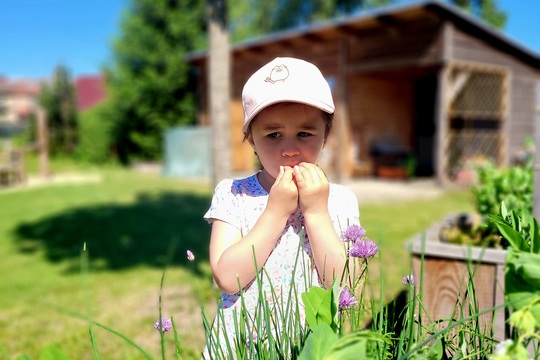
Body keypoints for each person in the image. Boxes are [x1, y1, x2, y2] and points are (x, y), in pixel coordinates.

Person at [203, 57, 362, 358]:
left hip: (308, 344)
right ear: (251, 139)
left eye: (304, 133)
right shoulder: (234, 193)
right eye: (273, 135)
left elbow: (346, 284)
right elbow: (226, 278)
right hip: (243, 344)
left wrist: (315, 211)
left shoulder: (339, 200)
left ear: (325, 135)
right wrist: (275, 212)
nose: (289, 149)